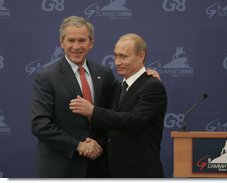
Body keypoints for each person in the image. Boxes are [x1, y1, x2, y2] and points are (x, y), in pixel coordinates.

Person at [31, 16, 160, 178]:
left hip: (97, 168)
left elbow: (125, 99)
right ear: (62, 42)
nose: (76, 46)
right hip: (61, 166)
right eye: (71, 40)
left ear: (91, 43)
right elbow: (39, 124)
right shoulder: (46, 77)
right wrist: (77, 145)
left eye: (82, 40)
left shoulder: (103, 74)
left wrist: (144, 78)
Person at [69, 33, 168, 178]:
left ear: (140, 56)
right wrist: (94, 143)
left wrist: (93, 111)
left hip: (140, 174)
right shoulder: (117, 88)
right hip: (112, 172)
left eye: (123, 56)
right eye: (115, 56)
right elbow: (111, 128)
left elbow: (135, 121)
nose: (117, 62)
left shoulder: (153, 87)